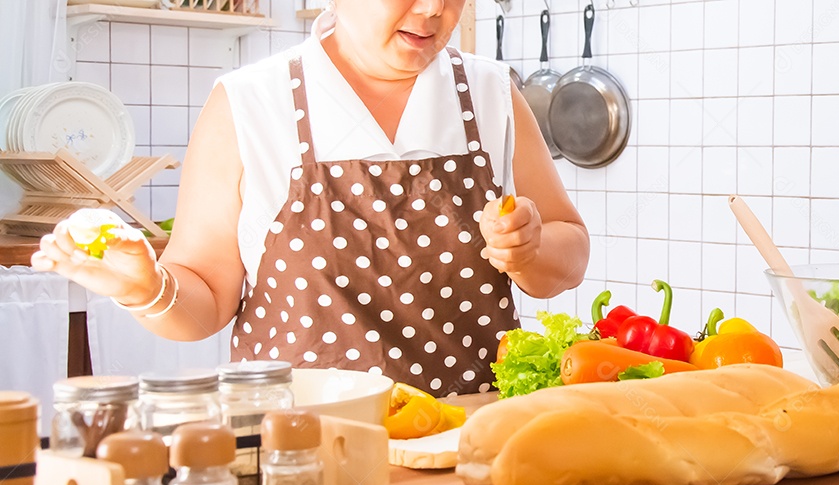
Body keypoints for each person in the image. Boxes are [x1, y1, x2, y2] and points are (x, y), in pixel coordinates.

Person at [31, 0, 589, 396]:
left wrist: (530, 250)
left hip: (465, 443)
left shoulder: (491, 93)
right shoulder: (252, 103)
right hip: (302, 450)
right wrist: (148, 290)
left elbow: (570, 255)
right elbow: (205, 298)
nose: (431, 10)